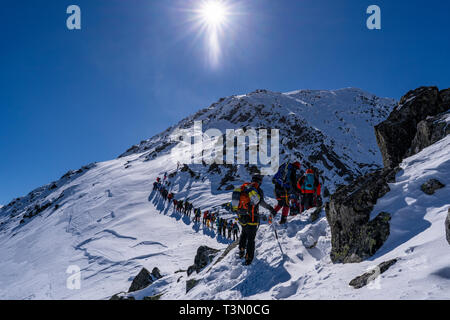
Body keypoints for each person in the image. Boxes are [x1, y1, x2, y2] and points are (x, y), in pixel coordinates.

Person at [235, 175, 276, 266]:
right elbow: (261, 203)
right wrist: (270, 208)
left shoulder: (244, 188)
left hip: (242, 217)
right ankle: (249, 258)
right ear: (260, 182)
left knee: (243, 233)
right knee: (251, 239)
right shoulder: (257, 190)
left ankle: (241, 250)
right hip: (252, 218)